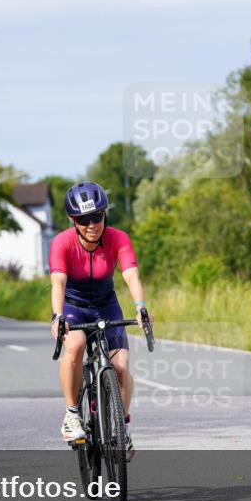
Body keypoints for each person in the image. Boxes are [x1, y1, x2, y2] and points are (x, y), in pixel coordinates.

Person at [49, 181, 152, 461]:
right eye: (83, 220)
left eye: (97, 216)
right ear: (73, 221)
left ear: (105, 214)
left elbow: (131, 274)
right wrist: (58, 316)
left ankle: (122, 428)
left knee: (120, 367)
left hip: (107, 306)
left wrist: (140, 306)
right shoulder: (62, 242)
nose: (92, 225)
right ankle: (72, 414)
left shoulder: (118, 238)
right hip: (73, 306)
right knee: (76, 345)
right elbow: (58, 282)